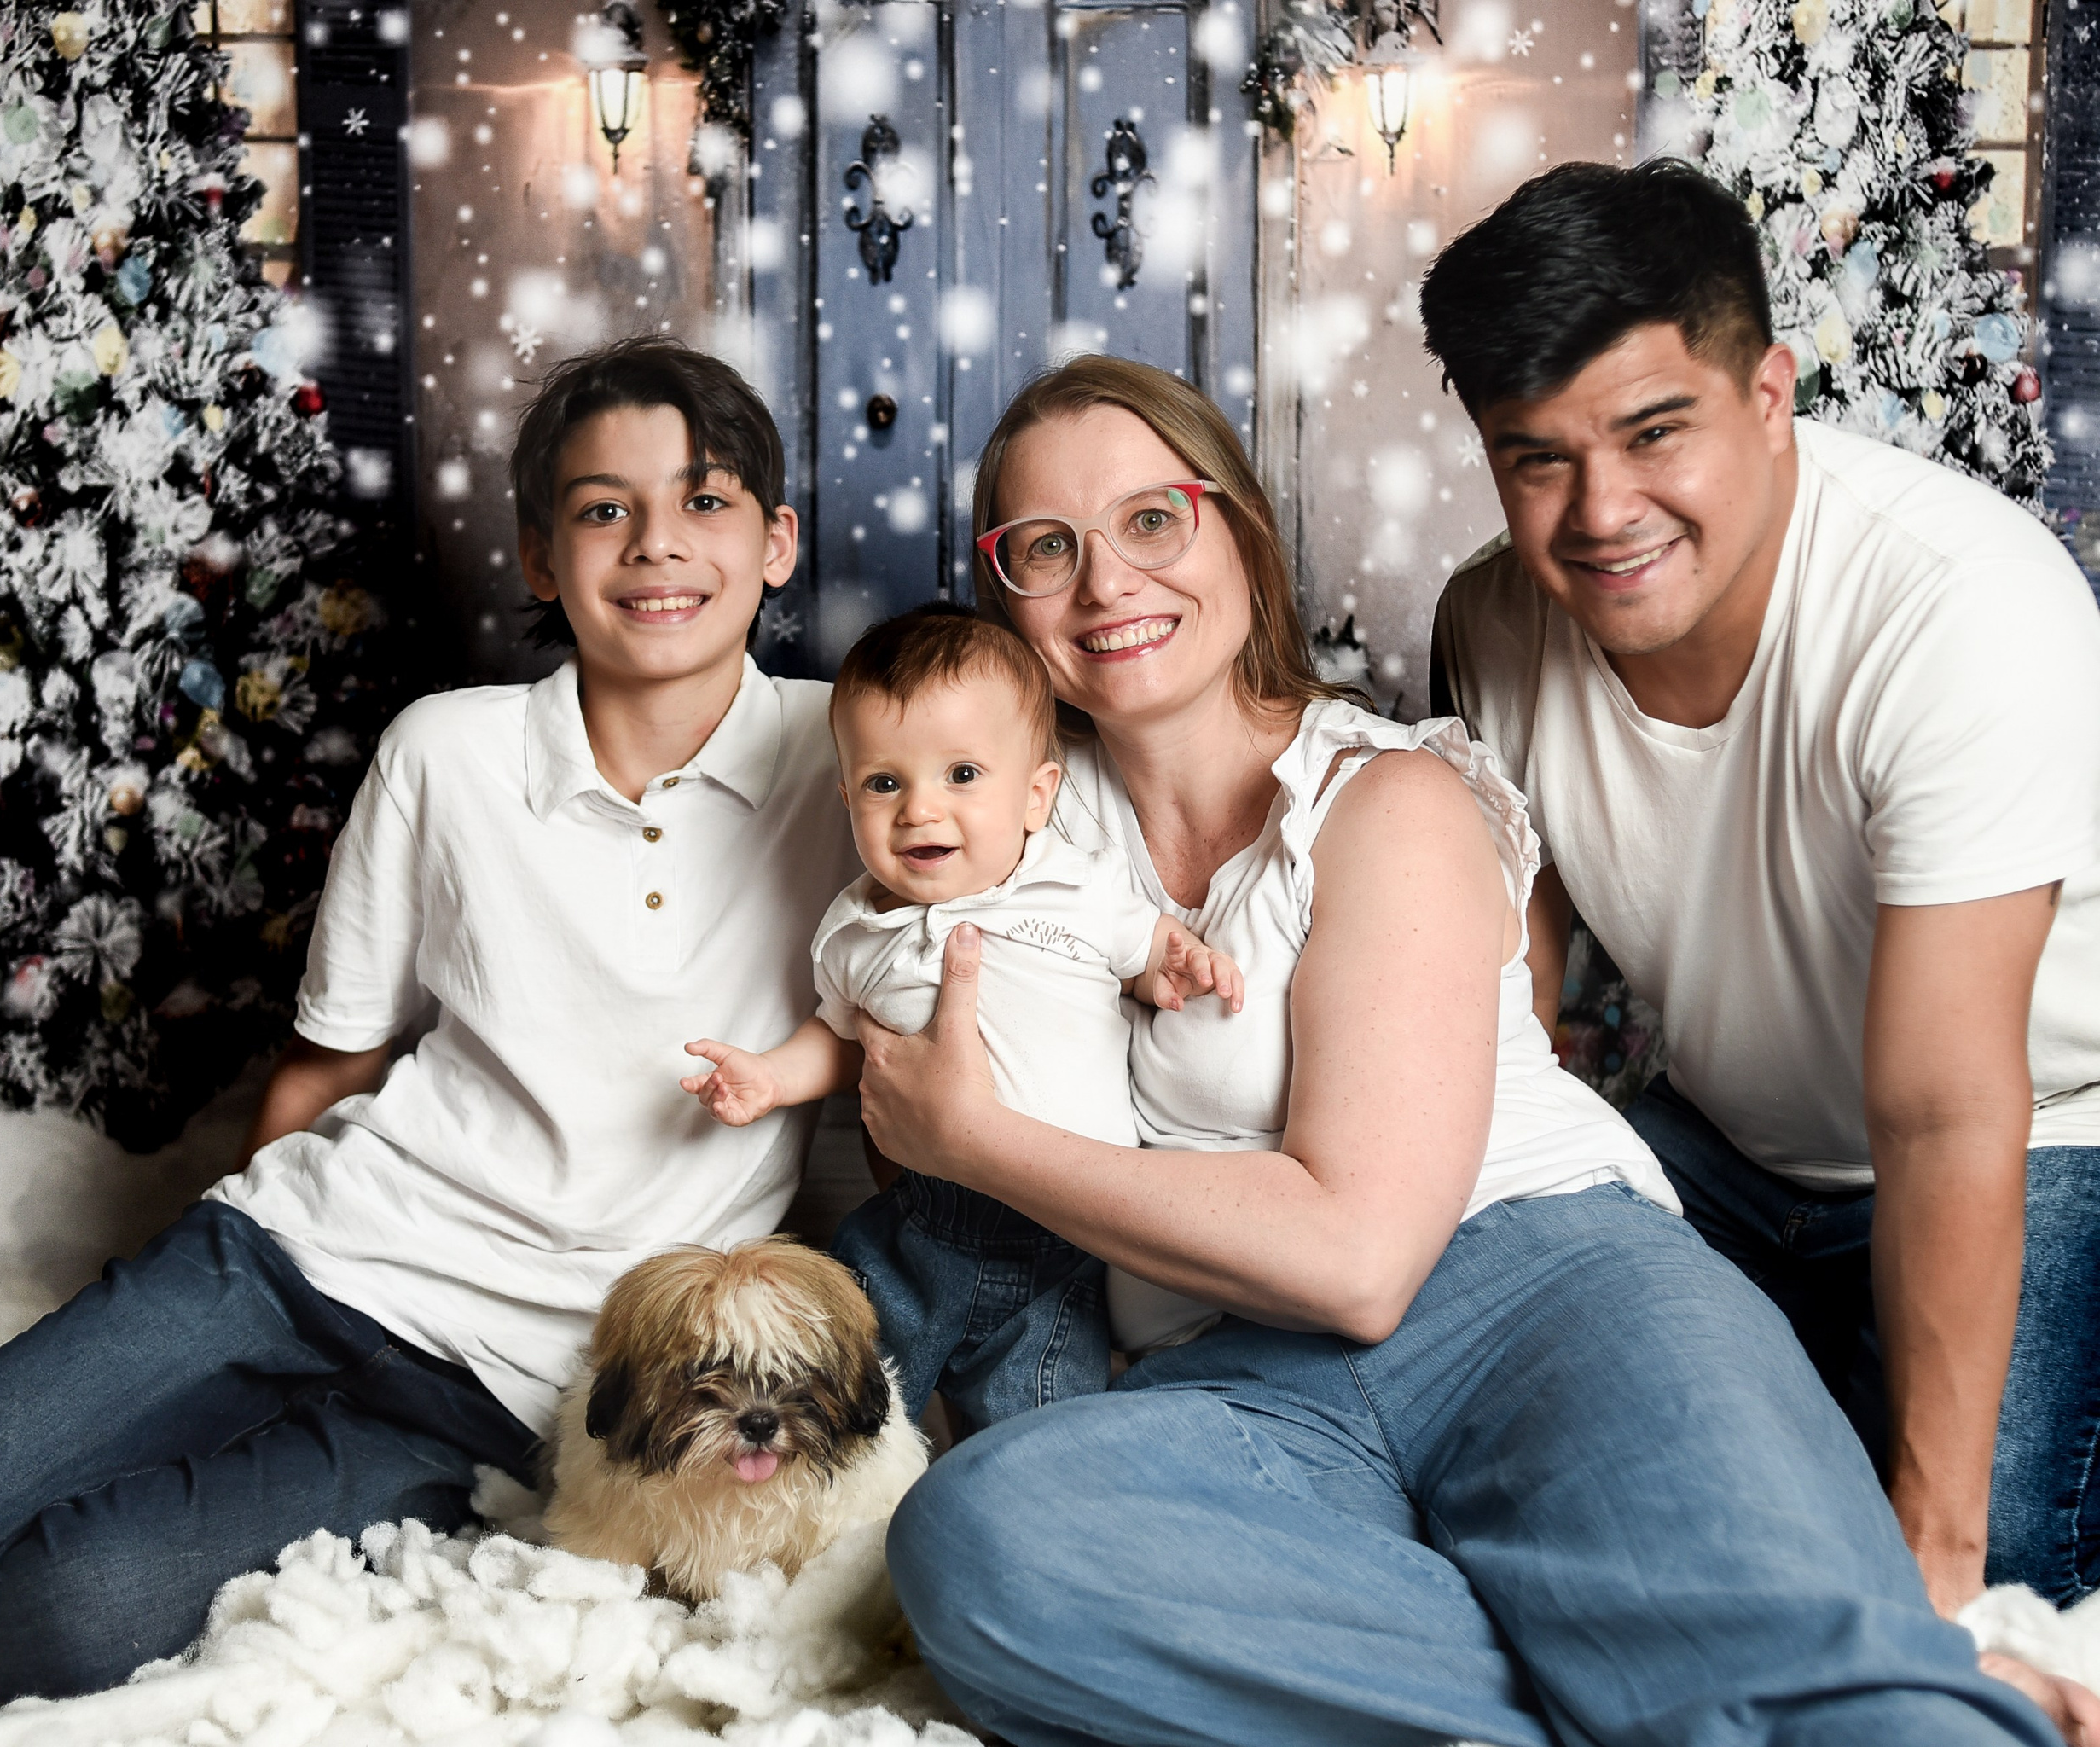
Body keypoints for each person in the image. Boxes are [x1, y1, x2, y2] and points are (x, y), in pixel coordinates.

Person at [858, 352, 2068, 1747]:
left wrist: (976, 1141)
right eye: (1044, 548)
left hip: (1542, 1289)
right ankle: (1650, 1696)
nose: (1106, 582)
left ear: (1239, 530)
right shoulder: (996, 841)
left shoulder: (1390, 795)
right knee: (988, 1543)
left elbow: (1360, 1260)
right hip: (1236, 1378)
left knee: (1848, 1712)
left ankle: (1832, 1687)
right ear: (1001, 590)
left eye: (1153, 519)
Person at [0, 337, 861, 1698]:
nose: (657, 545)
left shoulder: (859, 764)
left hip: (509, 1382)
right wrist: (209, 1282)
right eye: (606, 509)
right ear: (543, 558)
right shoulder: (449, 750)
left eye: (704, 503)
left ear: (775, 542)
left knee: (54, 1616)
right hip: (303, 1255)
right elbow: (331, 1056)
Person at [1423, 161, 2100, 1637]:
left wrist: (1932, 1548)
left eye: (1655, 431)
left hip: (2039, 1129)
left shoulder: (1963, 606)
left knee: (1946, 1603)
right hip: (1729, 1151)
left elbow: (1944, 1110)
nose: (1603, 512)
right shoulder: (1488, 620)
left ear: (1773, 390)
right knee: (1594, 1500)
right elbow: (1502, 1021)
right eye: (1535, 457)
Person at [681, 601, 1243, 1430]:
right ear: (847, 795)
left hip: (1061, 1233)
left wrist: (1177, 962)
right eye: (884, 782)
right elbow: (843, 1038)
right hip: (919, 1226)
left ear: (1034, 793)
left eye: (962, 775)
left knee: (1038, 1437)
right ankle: (819, 1517)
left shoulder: (1073, 884)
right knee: (838, 1405)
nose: (919, 809)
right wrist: (769, 1077)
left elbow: (1146, 943)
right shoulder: (854, 926)